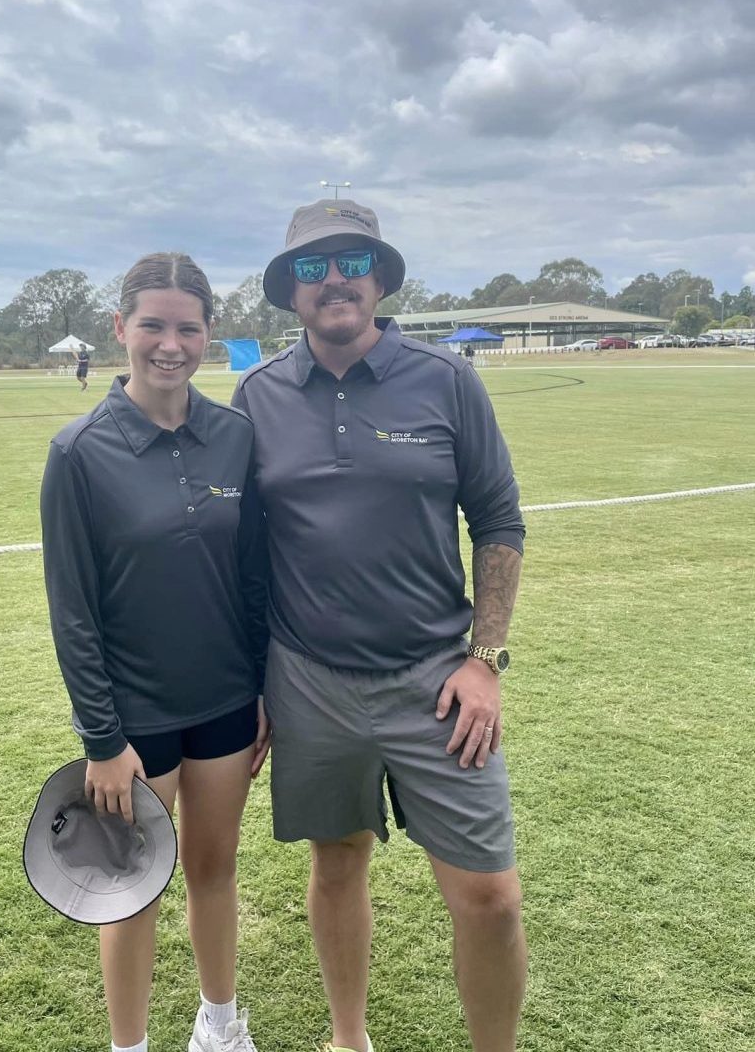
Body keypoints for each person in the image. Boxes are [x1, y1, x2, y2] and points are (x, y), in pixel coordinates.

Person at [232, 199, 527, 1052]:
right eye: (315, 267)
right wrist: (254, 684)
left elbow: (498, 521)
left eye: (352, 263)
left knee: (490, 898)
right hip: (308, 679)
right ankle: (347, 1038)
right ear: (290, 291)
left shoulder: (444, 380)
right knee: (337, 862)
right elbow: (245, 554)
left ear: (379, 279)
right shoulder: (256, 397)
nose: (334, 281)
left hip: (436, 680)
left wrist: (485, 658)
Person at [41, 253, 269, 1052]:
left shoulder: (235, 436)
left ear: (208, 335)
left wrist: (264, 688)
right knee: (130, 891)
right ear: (120, 329)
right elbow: (73, 613)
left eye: (187, 328)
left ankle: (219, 1026)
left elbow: (251, 579)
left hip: (227, 707)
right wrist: (102, 742)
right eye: (152, 326)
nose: (169, 345)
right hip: (133, 723)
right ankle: (129, 1046)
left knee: (215, 870)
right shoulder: (78, 453)